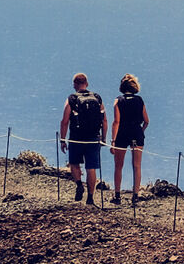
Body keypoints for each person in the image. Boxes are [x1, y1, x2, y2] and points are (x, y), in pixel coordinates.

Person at [59, 73, 107, 203]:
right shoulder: (96, 98)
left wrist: (62, 140)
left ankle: (79, 185)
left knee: (74, 163)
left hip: (76, 138)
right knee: (91, 168)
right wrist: (104, 138)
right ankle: (90, 197)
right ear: (87, 83)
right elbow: (105, 120)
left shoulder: (72, 99)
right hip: (93, 138)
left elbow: (65, 121)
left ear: (74, 84)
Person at [110, 74, 149, 206]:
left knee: (118, 166)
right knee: (137, 166)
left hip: (122, 134)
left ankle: (117, 195)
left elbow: (116, 122)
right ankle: (136, 196)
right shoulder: (139, 100)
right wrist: (140, 132)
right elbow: (146, 121)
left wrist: (113, 141)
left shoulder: (118, 101)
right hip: (137, 133)